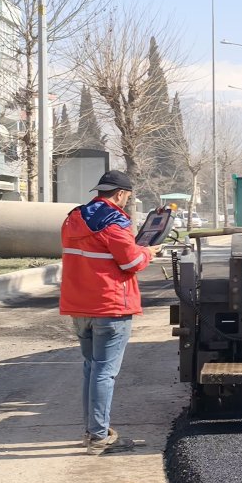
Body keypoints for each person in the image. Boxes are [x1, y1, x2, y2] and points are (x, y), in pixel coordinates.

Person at [60, 170, 156, 455]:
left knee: (91, 369)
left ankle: (93, 432)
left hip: (81, 307)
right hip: (111, 306)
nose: (126, 201)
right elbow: (132, 262)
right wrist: (150, 252)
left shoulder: (73, 218)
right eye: (127, 196)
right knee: (105, 372)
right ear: (120, 194)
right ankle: (99, 436)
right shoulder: (114, 222)